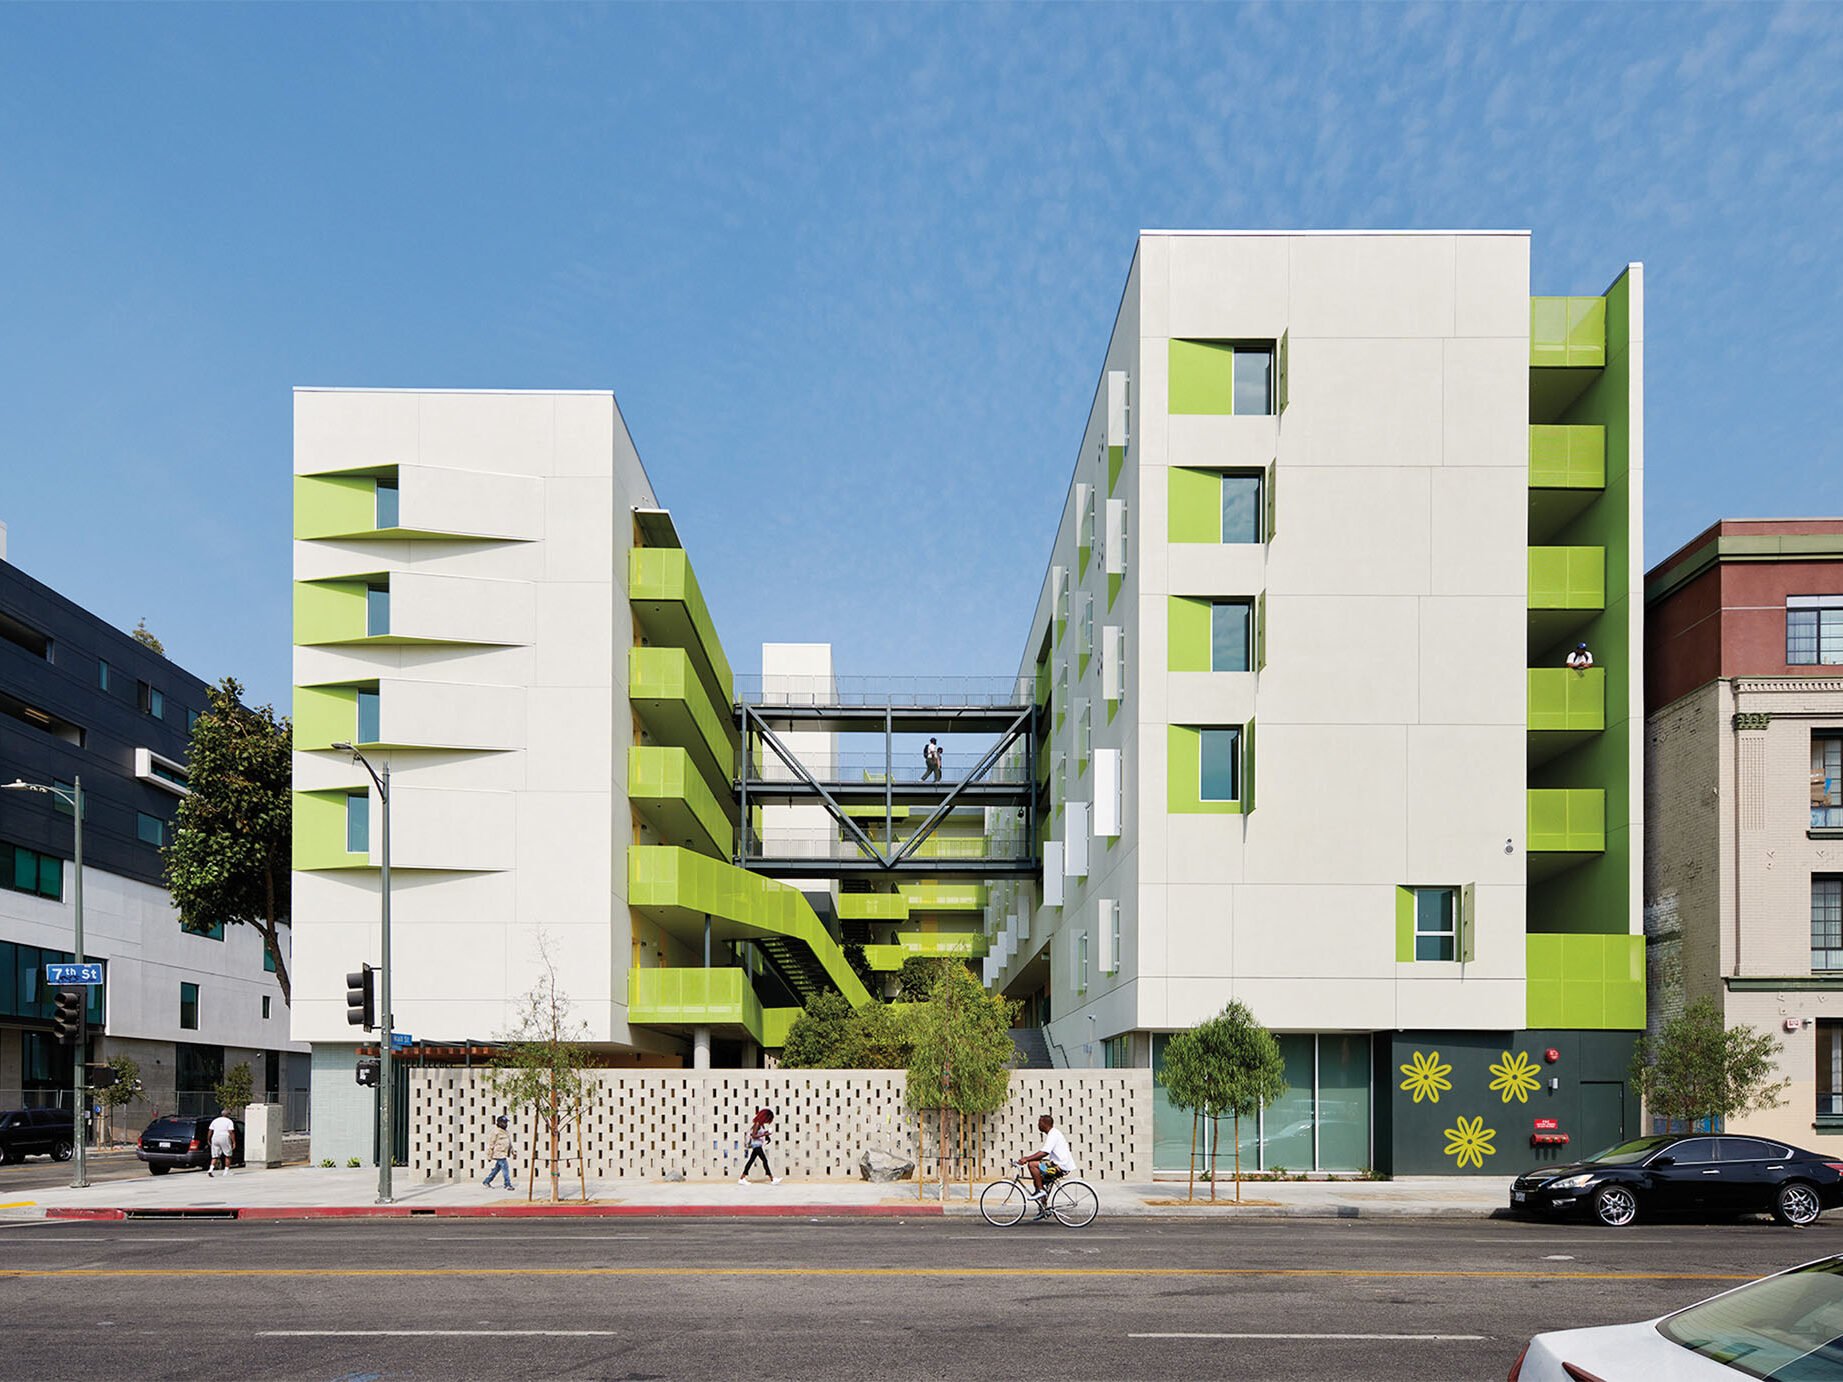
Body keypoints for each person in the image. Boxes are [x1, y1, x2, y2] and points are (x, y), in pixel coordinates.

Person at [1016, 1113, 1076, 1213]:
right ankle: (1043, 1208)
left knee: (1032, 1165)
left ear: (1044, 1124)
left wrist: (1027, 1159)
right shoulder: (1053, 1133)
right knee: (1037, 1179)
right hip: (1058, 1163)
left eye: (1039, 1123)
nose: (1038, 1125)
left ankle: (1041, 1192)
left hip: (1060, 1166)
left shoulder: (1053, 1134)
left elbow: (1044, 1153)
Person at [739, 1107, 780, 1185]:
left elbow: (760, 1134)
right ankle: (772, 1179)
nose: (768, 1121)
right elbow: (754, 1135)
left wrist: (767, 1134)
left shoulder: (761, 1125)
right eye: (768, 1118)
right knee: (764, 1160)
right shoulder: (757, 1124)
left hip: (758, 1145)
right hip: (756, 1145)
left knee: (751, 1161)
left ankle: (742, 1178)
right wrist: (765, 1134)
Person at [483, 1115, 514, 1190]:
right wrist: (489, 1156)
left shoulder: (506, 1132)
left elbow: (509, 1143)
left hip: (504, 1153)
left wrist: (513, 1151)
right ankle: (507, 1184)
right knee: (505, 1168)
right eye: (504, 1123)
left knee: (497, 1169)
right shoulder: (496, 1132)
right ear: (499, 1123)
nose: (506, 1124)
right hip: (499, 1153)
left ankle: (486, 1181)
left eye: (506, 1123)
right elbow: (491, 1144)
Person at [206, 1108, 236, 1178]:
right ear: (228, 1115)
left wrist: (209, 1139)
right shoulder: (229, 1121)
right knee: (228, 1155)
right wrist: (233, 1142)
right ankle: (226, 1171)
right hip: (224, 1137)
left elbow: (210, 1130)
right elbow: (231, 1132)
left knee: (215, 1156)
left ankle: (210, 1169)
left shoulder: (215, 1120)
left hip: (215, 1137)